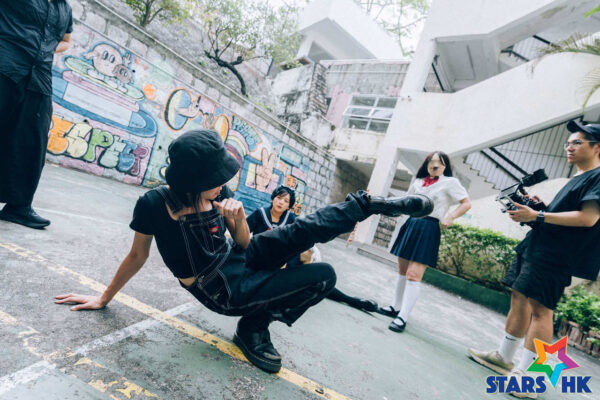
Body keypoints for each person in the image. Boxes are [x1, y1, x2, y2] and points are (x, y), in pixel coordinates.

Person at [55, 129, 434, 373]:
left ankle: (365, 205)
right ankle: (253, 326)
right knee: (324, 277)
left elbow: (246, 245)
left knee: (299, 231)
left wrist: (237, 222)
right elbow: (138, 256)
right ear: (192, 181)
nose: (223, 185)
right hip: (220, 289)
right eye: (215, 180)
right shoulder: (154, 205)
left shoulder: (219, 193)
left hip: (238, 257)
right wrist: (104, 297)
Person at [468, 120, 600, 399]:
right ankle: (504, 358)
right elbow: (563, 215)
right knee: (519, 297)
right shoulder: (579, 177)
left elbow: (588, 218)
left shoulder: (597, 177)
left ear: (597, 147)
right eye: (568, 143)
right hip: (539, 245)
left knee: (541, 310)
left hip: (556, 255)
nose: (569, 147)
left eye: (577, 142)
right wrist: (541, 208)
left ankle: (527, 376)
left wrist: (537, 215)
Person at [378, 151, 471, 333]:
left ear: (445, 166)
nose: (434, 165)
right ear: (426, 164)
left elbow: (466, 203)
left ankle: (403, 317)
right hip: (411, 224)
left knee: (414, 275)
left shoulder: (450, 182)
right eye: (431, 162)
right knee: (402, 271)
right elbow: (405, 202)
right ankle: (395, 307)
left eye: (439, 163)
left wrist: (451, 216)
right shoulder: (418, 182)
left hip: (429, 227)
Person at [246, 185, 379, 312]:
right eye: (279, 198)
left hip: (285, 259)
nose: (281, 202)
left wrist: (308, 254)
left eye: (286, 201)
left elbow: (300, 239)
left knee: (311, 278)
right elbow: (244, 233)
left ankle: (351, 300)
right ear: (273, 198)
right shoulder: (260, 214)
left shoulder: (290, 218)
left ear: (289, 205)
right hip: (262, 258)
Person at [0, 0, 73, 229]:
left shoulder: (65, 9)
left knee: (32, 142)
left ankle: (19, 206)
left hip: (39, 77)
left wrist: (47, 47)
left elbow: (66, 40)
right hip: (6, 63)